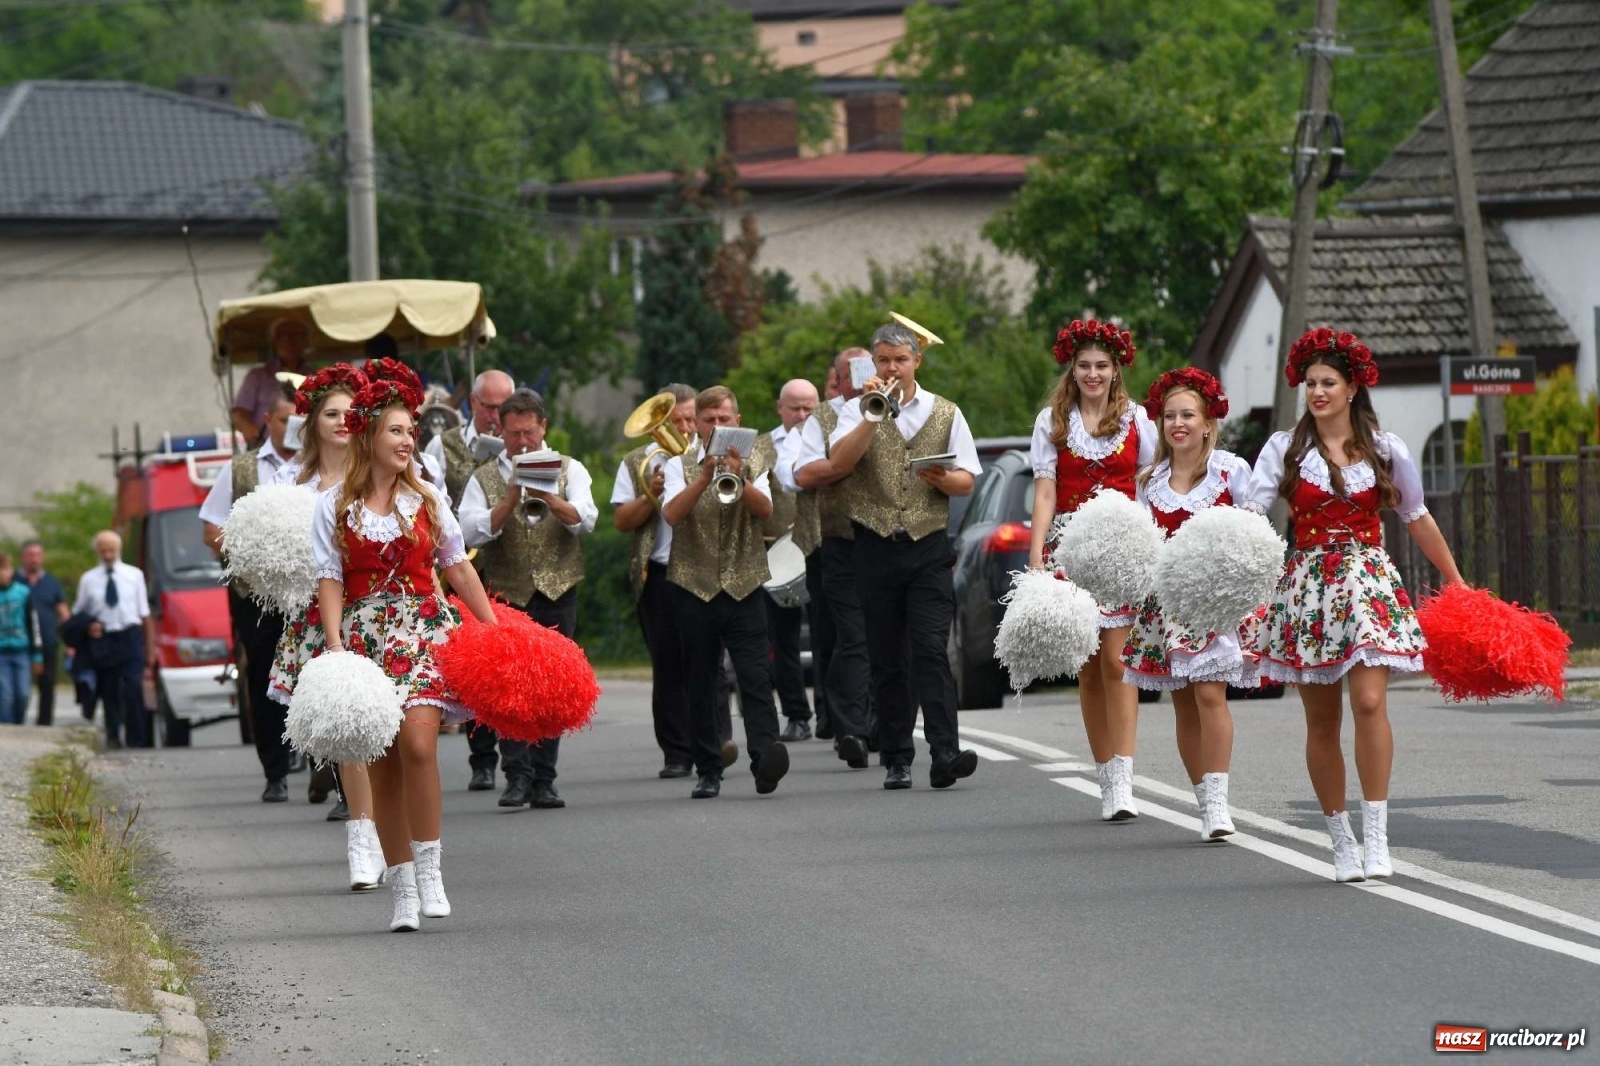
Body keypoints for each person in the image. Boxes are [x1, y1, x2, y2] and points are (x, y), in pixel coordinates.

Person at [1238, 327, 1462, 882]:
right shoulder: (1284, 449)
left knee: (1367, 703)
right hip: (1309, 589)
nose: (1317, 392)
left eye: (1328, 382)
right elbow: (1249, 520)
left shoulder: (1385, 449)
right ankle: (1341, 840)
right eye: (1310, 383)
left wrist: (1455, 579)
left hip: (1366, 584)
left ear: (1352, 387)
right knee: (1321, 720)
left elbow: (1416, 515)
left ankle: (1378, 837)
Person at [302, 372, 499, 932]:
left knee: (418, 742)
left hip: (420, 630)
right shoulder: (333, 506)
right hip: (365, 636)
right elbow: (330, 578)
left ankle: (432, 871)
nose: (408, 439)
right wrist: (336, 646)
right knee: (382, 763)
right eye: (396, 430)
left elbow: (457, 566)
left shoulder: (427, 498)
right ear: (368, 437)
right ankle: (403, 888)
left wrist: (491, 629)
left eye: (411, 430)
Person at [826, 321, 982, 791]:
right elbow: (841, 464)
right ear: (874, 364)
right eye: (884, 360)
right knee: (887, 657)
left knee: (931, 650)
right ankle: (896, 756)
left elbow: (967, 480)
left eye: (900, 359)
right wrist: (872, 416)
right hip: (873, 546)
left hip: (928, 546)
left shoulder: (946, 411)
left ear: (917, 361)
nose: (892, 367)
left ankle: (945, 753)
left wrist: (941, 477)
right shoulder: (856, 410)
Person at [1027, 319, 1157, 820]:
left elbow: (1147, 487)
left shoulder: (1139, 420)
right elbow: (1045, 491)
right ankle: (1105, 773)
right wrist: (1038, 554)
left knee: (1117, 662)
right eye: (1084, 365)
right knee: (1086, 666)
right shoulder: (1052, 421)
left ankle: (1123, 777)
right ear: (1072, 369)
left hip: (1123, 548)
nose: (1093, 373)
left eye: (1102, 365)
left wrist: (1152, 545)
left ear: (1116, 369)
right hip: (1071, 548)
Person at [263, 363, 387, 888]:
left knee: (396, 732)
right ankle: (363, 842)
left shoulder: (384, 471)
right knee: (348, 733)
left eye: (349, 413)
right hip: (320, 617)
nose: (341, 422)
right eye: (330, 414)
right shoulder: (290, 483)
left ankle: (392, 831)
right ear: (311, 421)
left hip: (383, 614)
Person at [1119, 368, 1253, 840]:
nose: (1178, 424)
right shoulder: (1149, 479)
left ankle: (1218, 803)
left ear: (1207, 422)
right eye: (1170, 415)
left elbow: (1251, 535)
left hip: (1214, 600)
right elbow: (1142, 543)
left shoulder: (1231, 470)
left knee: (1210, 694)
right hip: (1166, 602)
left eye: (1188, 415)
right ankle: (1203, 797)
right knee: (1183, 704)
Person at [459, 388, 598, 810]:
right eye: (514, 434)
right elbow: (467, 534)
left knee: (553, 687)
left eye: (529, 433)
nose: (521, 442)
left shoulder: (570, 469)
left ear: (543, 428)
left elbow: (587, 520)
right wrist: (510, 499)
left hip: (558, 590)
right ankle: (516, 777)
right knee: (511, 687)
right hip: (506, 591)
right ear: (500, 430)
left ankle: (545, 779)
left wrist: (548, 497)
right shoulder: (483, 476)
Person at [661, 386, 790, 799]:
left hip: (744, 583)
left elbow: (765, 510)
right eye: (709, 420)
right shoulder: (677, 464)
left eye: (724, 419)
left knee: (755, 675)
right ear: (697, 424)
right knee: (700, 680)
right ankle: (708, 768)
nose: (717, 427)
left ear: (737, 421)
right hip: (693, 586)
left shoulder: (758, 457)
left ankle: (765, 758)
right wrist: (703, 477)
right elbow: (671, 515)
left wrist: (741, 473)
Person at [612, 385, 736, 778]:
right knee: (668, 664)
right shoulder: (638, 461)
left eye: (687, 419)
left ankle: (718, 742)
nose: (683, 427)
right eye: (675, 421)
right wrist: (654, 494)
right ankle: (678, 753)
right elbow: (622, 522)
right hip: (661, 570)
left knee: (711, 662)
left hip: (705, 567)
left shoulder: (714, 456)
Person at [201, 382, 302, 802]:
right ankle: (274, 771)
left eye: (300, 421)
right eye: (284, 420)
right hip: (255, 594)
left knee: (315, 673)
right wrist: (253, 552)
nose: (293, 428)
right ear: (268, 421)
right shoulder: (241, 468)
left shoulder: (321, 464)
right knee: (263, 676)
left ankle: (326, 770)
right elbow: (211, 528)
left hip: (309, 591)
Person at [788, 348, 876, 764]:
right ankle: (849, 727)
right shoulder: (819, 419)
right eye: (851, 374)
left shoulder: (894, 404)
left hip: (885, 540)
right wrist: (841, 463)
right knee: (846, 636)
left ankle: (879, 722)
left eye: (867, 370)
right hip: (835, 539)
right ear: (837, 380)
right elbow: (801, 475)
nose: (860, 379)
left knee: (883, 635)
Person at [760, 379, 819, 742]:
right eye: (794, 408)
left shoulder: (832, 437)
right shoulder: (760, 447)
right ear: (780, 408)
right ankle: (797, 715)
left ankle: (834, 714)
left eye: (809, 408)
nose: (801, 415)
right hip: (775, 554)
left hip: (821, 550)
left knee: (831, 636)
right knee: (781, 641)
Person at [72, 532, 157, 749]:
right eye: (103, 550)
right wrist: (89, 626)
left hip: (129, 636)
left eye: (111, 550)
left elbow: (144, 614)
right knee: (109, 689)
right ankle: (113, 733)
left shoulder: (134, 575)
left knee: (132, 687)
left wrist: (150, 650)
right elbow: (78, 612)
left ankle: (137, 738)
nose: (108, 554)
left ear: (118, 550)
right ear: (98, 552)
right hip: (104, 639)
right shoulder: (89, 580)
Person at [425, 369, 515, 504]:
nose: (496, 416)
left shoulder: (522, 447)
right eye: (489, 407)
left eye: (503, 408)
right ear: (473, 401)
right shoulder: (440, 445)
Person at [232, 317, 310, 446]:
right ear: (274, 341)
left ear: (306, 341)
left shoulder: (316, 377)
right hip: (266, 447)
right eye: (283, 337)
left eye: (297, 336)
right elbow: (240, 414)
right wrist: (249, 429)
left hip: (306, 449)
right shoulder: (257, 376)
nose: (290, 342)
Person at [18, 541, 68, 726]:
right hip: (19, 642)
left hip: (47, 641)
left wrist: (70, 641)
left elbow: (63, 612)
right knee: (17, 688)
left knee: (47, 685)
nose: (34, 559)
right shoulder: (13, 580)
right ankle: (14, 723)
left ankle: (44, 724)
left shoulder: (51, 583)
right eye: (30, 555)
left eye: (37, 555)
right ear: (22, 557)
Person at [0, 553, 42, 725]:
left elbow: (33, 625)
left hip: (21, 650)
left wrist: (37, 655)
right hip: (1, 653)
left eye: (5, 569)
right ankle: (8, 729)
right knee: (6, 696)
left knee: (23, 694)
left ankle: (19, 724)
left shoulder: (23, 593)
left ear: (11, 570)